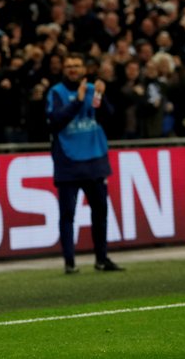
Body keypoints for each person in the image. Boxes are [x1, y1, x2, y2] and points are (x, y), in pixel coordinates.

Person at [46, 53, 123, 274]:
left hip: (94, 159)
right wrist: (78, 101)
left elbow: (108, 117)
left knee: (100, 212)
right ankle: (70, 262)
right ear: (63, 69)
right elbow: (55, 121)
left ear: (84, 69)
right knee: (68, 214)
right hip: (68, 162)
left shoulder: (92, 89)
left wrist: (100, 95)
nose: (73, 69)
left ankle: (102, 259)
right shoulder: (56, 92)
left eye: (77, 65)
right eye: (69, 66)